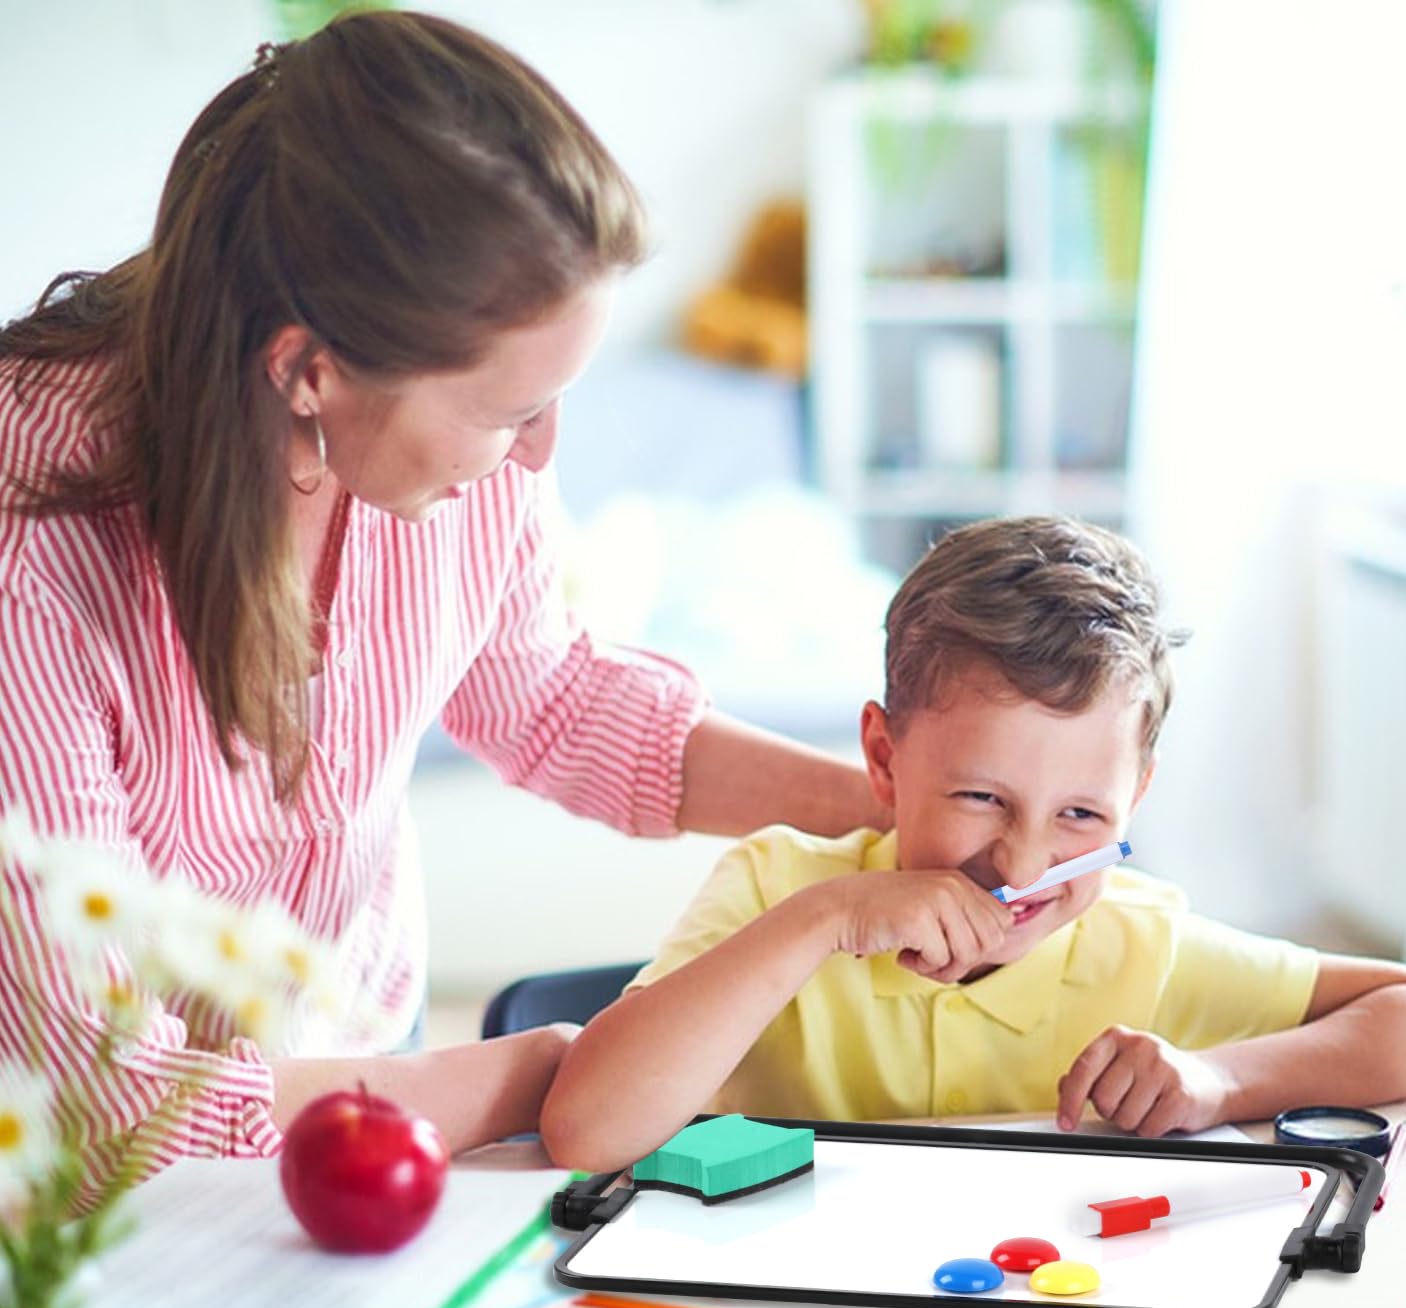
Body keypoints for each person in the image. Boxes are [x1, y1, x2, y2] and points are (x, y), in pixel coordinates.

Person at [0, 11, 881, 1187]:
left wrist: (881, 815)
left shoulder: (446, 445)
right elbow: (103, 1093)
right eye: (509, 412)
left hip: (361, 1050)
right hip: (91, 1168)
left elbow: (551, 696)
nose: (537, 455)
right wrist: (539, 1075)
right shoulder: (34, 538)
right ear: (308, 371)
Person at [541, 516, 1406, 1171]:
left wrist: (1217, 1079)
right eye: (980, 796)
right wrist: (821, 921)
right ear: (884, 756)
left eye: (1082, 815)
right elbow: (587, 1128)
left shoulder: (1135, 940)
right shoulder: (777, 887)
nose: (1025, 866)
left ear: (1137, 798)